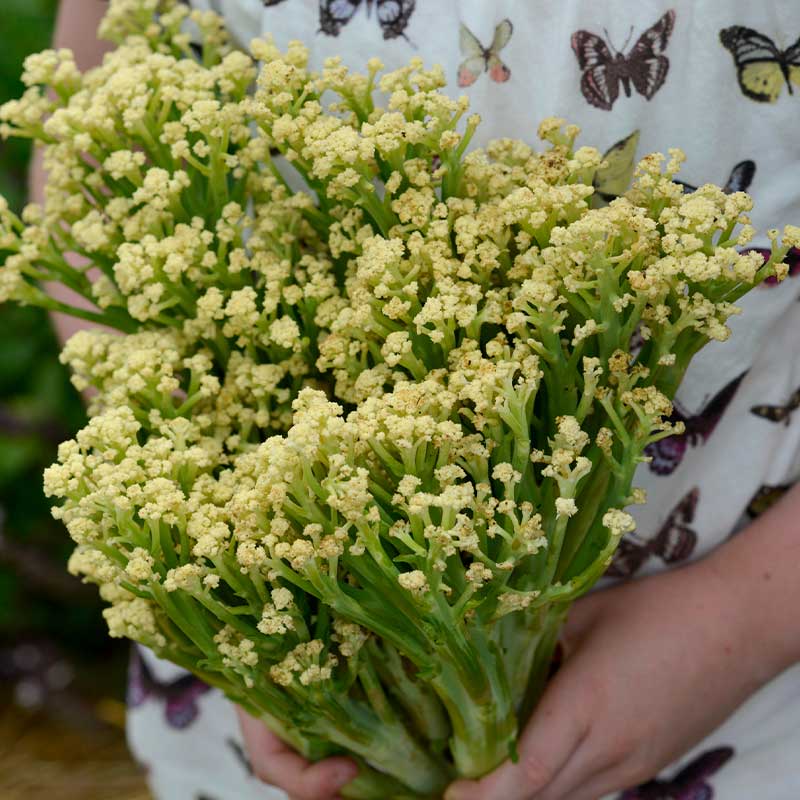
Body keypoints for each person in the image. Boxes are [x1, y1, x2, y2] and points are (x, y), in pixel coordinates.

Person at [38, 2, 800, 799]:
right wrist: (236, 583)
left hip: (725, 670)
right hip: (274, 635)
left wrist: (736, 626)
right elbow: (86, 138)